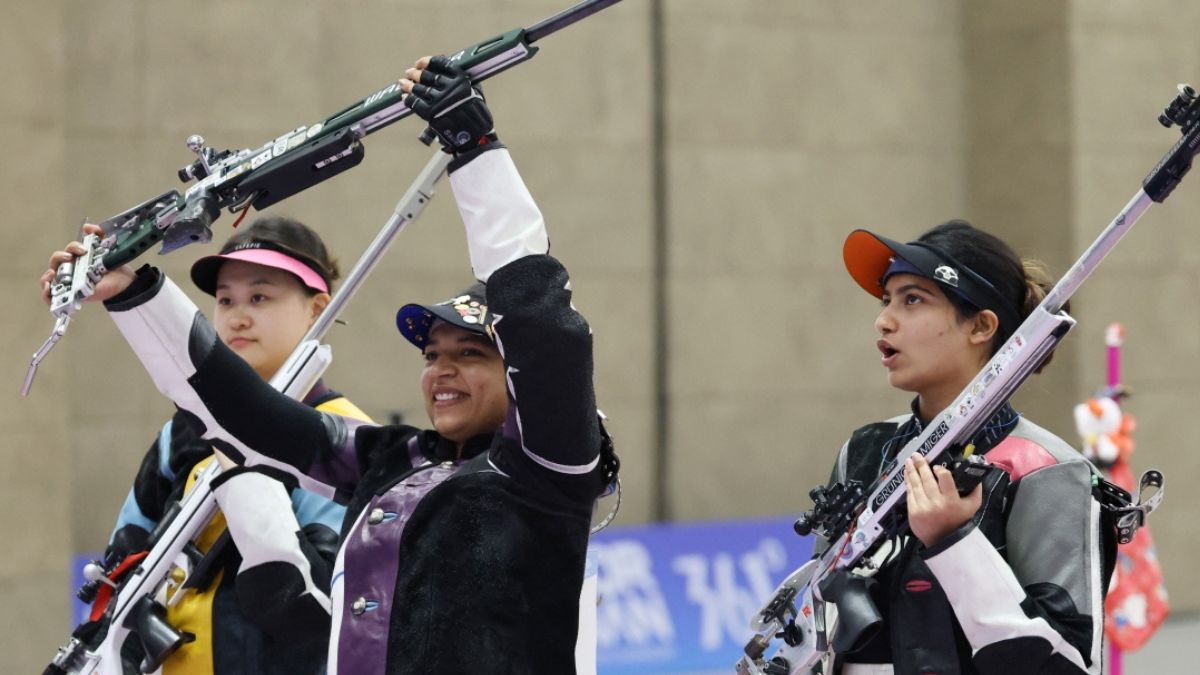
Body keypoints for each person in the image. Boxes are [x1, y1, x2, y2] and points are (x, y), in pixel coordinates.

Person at [46, 55, 611, 674]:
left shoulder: (545, 467)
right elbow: (249, 418)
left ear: (519, 379)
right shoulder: (391, 460)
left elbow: (540, 321)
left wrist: (474, 150)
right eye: (432, 356)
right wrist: (134, 294)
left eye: (471, 354)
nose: (442, 370)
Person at [819, 220, 1107, 675]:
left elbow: (1067, 664)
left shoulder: (1046, 469)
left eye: (913, 299)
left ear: (981, 326)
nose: (884, 320)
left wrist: (954, 542)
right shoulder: (864, 449)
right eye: (886, 300)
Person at [90, 217, 372, 675]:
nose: (237, 316)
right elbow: (121, 560)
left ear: (318, 307)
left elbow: (320, 607)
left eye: (260, 297)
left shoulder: (347, 437)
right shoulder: (182, 433)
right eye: (225, 300)